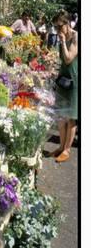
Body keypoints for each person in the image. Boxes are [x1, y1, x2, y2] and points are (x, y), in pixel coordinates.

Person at [49, 10, 78, 163]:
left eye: (59, 27)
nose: (57, 30)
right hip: (62, 79)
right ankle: (61, 146)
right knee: (61, 115)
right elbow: (61, 61)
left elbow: (68, 59)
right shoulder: (62, 36)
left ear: (66, 23)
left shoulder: (76, 36)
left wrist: (62, 42)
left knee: (71, 118)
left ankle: (67, 150)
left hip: (74, 80)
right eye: (55, 28)